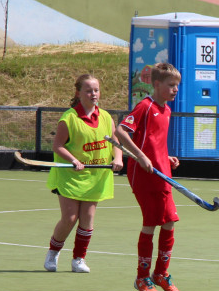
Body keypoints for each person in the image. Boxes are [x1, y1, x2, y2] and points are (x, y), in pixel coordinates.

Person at [43, 73, 145, 273]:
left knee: (88, 218)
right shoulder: (69, 118)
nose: (93, 94)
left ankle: (79, 259)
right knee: (70, 218)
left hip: (95, 176)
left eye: (96, 90)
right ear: (78, 93)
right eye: (88, 90)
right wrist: (74, 160)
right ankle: (53, 252)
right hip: (71, 177)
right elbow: (58, 146)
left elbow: (115, 142)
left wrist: (118, 158)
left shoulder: (106, 117)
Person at [113, 62, 180, 291]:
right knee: (151, 223)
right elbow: (120, 131)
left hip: (162, 172)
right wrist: (141, 156)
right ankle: (142, 277)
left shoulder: (167, 110)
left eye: (177, 85)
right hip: (143, 174)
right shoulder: (145, 106)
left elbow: (155, 141)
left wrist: (165, 157)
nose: (175, 89)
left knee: (170, 221)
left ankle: (161, 273)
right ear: (156, 84)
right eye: (171, 85)